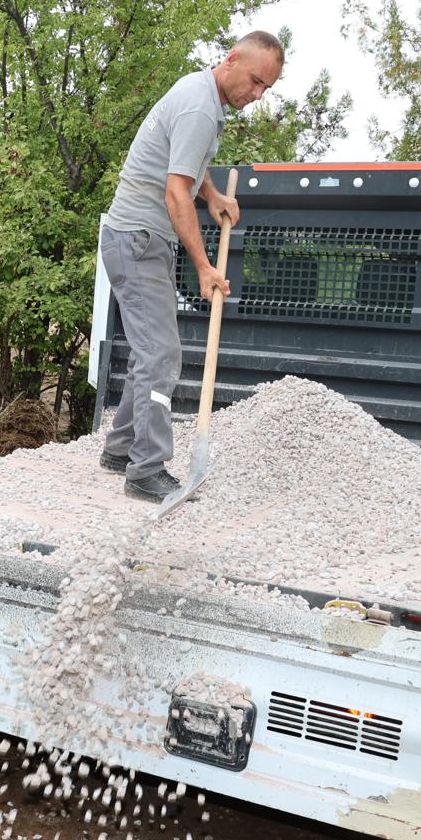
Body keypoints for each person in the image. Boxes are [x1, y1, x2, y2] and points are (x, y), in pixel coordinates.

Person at [99, 30, 284, 500]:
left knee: (148, 350)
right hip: (137, 238)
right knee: (162, 354)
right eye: (256, 81)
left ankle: (121, 448)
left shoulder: (203, 96)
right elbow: (173, 191)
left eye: (266, 89)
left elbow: (184, 167)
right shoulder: (202, 107)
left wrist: (215, 196)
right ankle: (146, 470)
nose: (257, 94)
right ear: (232, 60)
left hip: (140, 238)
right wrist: (203, 267)